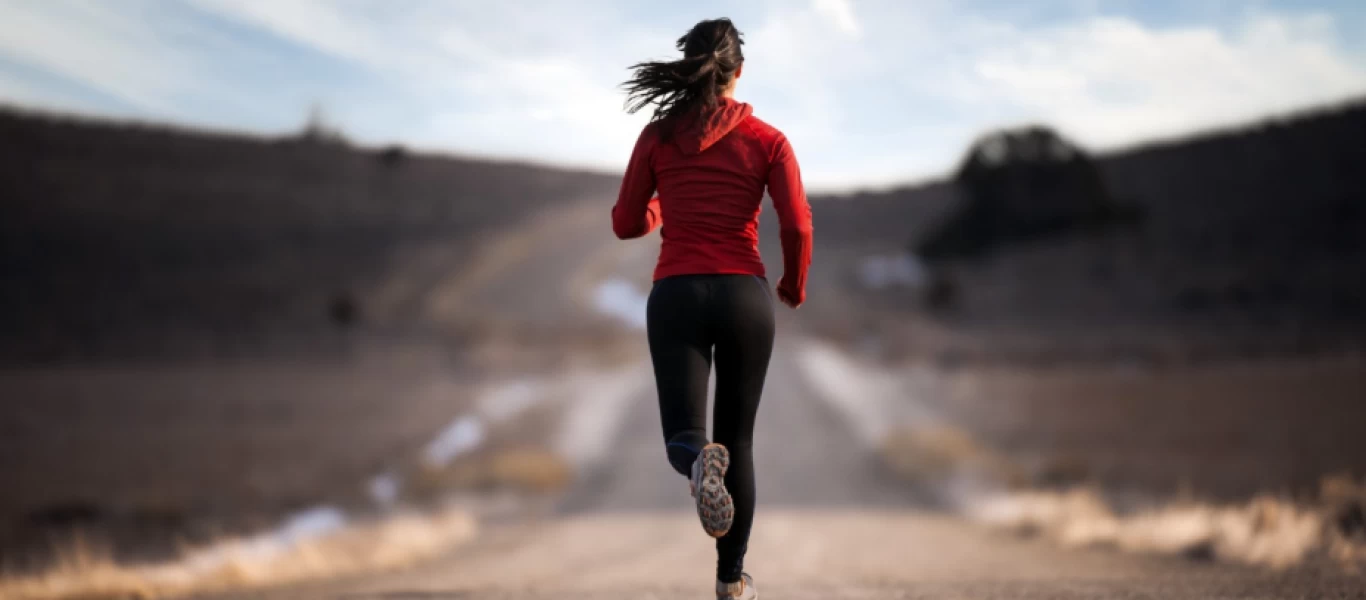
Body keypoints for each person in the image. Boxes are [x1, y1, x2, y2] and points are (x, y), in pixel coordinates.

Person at [611, 17, 812, 600]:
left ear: (687, 67)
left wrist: (660, 212)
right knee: (740, 442)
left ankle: (699, 464)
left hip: (677, 293)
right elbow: (796, 222)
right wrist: (793, 284)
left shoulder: (658, 136)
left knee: (688, 436)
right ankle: (731, 581)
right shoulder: (769, 139)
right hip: (745, 295)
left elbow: (627, 223)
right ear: (738, 72)